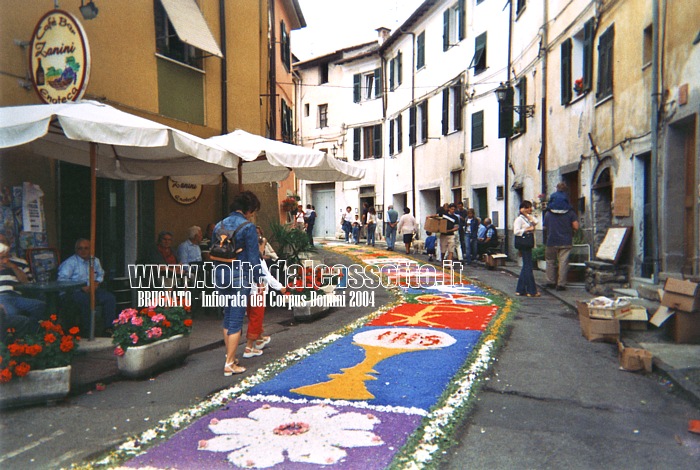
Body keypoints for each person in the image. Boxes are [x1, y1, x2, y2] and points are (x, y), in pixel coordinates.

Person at [212, 191, 263, 376]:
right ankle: (229, 364)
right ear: (248, 209)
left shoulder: (219, 225)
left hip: (220, 274)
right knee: (236, 320)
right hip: (239, 275)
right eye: (252, 211)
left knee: (227, 317)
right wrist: (259, 280)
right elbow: (253, 258)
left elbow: (214, 251)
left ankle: (230, 357)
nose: (252, 214)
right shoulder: (248, 227)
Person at [57, 239, 117, 336]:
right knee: (85, 300)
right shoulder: (70, 263)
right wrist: (81, 287)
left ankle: (108, 328)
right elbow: (62, 281)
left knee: (109, 298)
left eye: (86, 248)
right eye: (80, 248)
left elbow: (101, 274)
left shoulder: (94, 261)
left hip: (92, 289)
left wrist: (97, 283)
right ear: (76, 250)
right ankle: (87, 330)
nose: (83, 251)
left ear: (90, 249)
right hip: (73, 291)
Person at [243, 238, 287, 359]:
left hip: (248, 290)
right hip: (258, 290)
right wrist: (280, 287)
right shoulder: (258, 260)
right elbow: (267, 276)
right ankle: (249, 346)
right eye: (264, 245)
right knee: (256, 317)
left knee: (254, 316)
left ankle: (259, 339)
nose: (265, 248)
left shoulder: (245, 257)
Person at [0, 241, 46, 332]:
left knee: (39, 305)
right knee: (13, 313)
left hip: (16, 295)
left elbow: (27, 282)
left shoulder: (19, 262)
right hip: (1, 297)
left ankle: (32, 335)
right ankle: (14, 341)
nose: (5, 260)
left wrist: (14, 267)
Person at [543, 197, 580, 291]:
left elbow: (545, 227)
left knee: (550, 261)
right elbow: (576, 226)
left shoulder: (548, 213)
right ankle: (561, 284)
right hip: (566, 240)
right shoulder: (571, 213)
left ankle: (550, 282)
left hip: (551, 240)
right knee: (563, 262)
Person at [514, 201, 540, 297]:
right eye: (528, 207)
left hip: (528, 243)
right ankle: (531, 290)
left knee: (527, 266)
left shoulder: (526, 218)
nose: (530, 209)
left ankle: (521, 289)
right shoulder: (519, 219)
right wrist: (526, 229)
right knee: (528, 266)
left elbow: (536, 222)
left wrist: (526, 214)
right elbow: (516, 231)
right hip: (524, 243)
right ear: (523, 208)